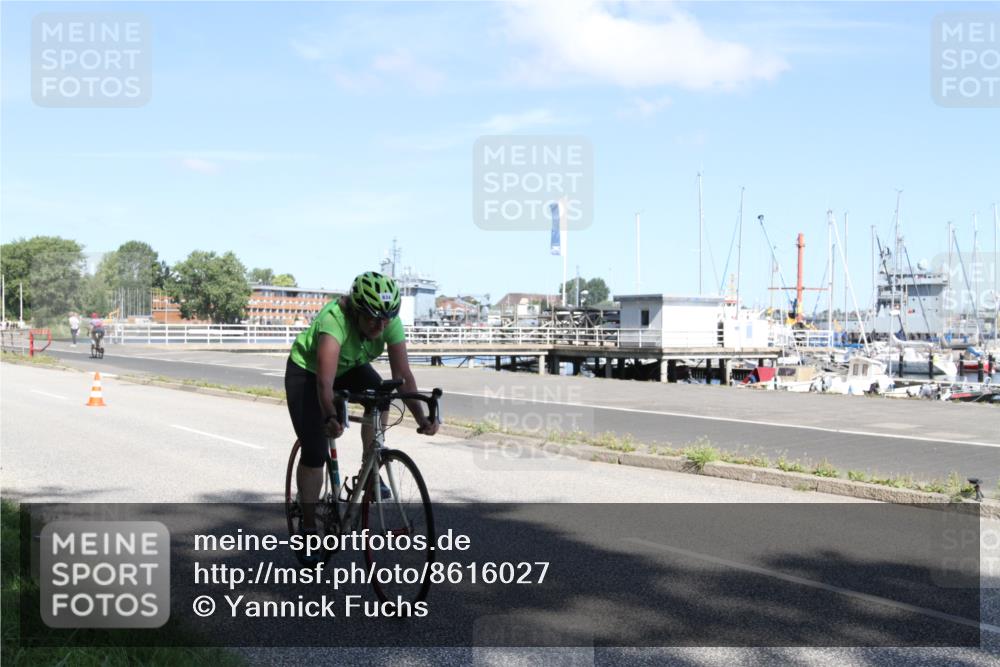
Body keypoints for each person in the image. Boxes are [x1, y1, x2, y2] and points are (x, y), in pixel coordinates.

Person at [284, 271, 438, 538]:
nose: (380, 327)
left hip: (349, 367)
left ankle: (370, 471)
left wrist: (422, 418)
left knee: (382, 395)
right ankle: (307, 526)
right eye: (373, 319)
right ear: (356, 310)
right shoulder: (335, 321)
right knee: (315, 451)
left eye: (386, 320)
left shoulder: (388, 322)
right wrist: (331, 415)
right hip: (308, 374)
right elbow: (324, 382)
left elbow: (403, 376)